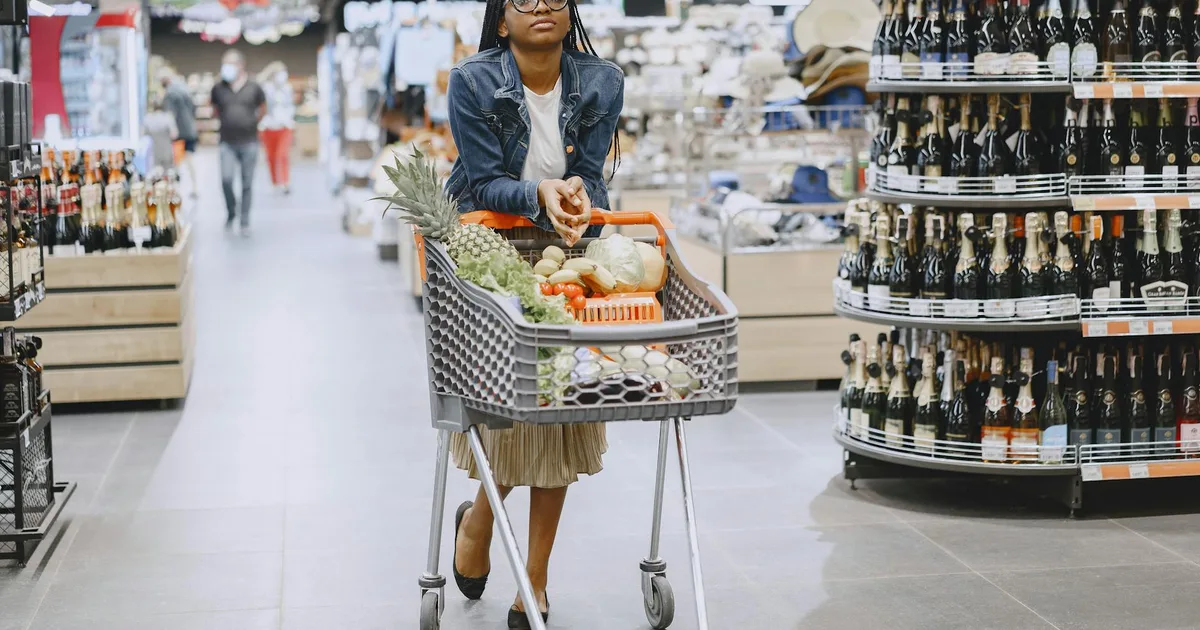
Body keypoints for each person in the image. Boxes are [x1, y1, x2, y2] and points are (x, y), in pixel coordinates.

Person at [442, 0, 623, 627]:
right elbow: (483, 181)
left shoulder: (603, 81)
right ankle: (482, 518)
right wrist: (540, 193)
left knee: (562, 407)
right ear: (501, 21)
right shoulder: (472, 82)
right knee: (509, 410)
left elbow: (594, 178)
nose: (540, 4)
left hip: (566, 251)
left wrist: (578, 199)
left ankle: (535, 581)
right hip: (488, 246)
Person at [210, 49, 265, 234]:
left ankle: (245, 220)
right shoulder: (218, 88)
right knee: (226, 179)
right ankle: (231, 211)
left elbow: (263, 108)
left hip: (249, 142)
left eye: (230, 64)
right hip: (227, 142)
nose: (226, 68)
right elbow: (214, 109)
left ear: (240, 65)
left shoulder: (254, 87)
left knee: (247, 183)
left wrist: (252, 122)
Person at [258, 61, 296, 195]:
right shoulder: (266, 88)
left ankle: (285, 182)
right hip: (268, 127)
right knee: (271, 157)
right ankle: (275, 182)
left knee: (283, 155)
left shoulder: (288, 88)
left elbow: (291, 106)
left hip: (284, 127)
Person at [160, 71, 199, 198]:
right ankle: (195, 187)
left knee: (176, 162)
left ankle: (174, 190)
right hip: (190, 129)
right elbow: (194, 109)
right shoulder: (185, 90)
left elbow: (170, 114)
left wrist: (172, 130)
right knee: (189, 159)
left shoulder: (170, 94)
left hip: (179, 132)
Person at [142, 99, 178, 174]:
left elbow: (144, 134)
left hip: (154, 152)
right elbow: (174, 135)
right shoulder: (168, 117)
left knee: (155, 174)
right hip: (167, 151)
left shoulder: (148, 118)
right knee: (168, 173)